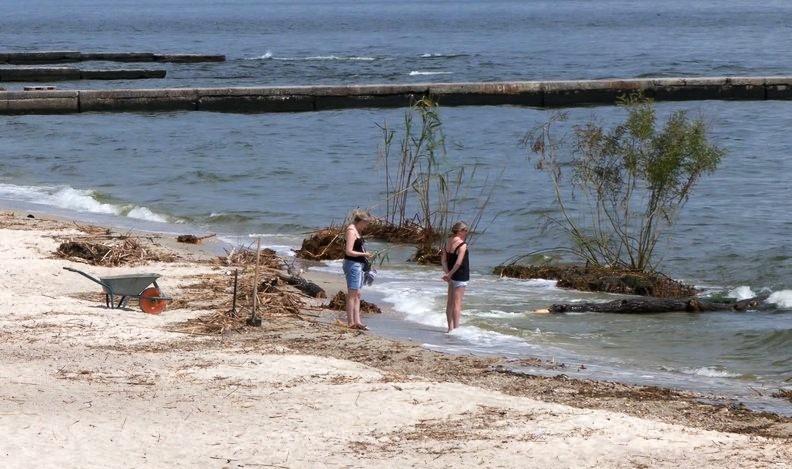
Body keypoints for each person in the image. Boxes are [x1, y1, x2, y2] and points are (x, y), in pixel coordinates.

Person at [343, 210, 373, 330]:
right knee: (352, 294)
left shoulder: (357, 230)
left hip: (358, 265)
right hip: (352, 264)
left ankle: (358, 321)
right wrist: (364, 254)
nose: (366, 226)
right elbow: (348, 251)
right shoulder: (351, 230)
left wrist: (365, 255)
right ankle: (351, 322)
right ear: (360, 221)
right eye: (366, 223)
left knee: (358, 294)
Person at [441, 221, 470, 333]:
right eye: (465, 230)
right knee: (457, 303)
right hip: (460, 275)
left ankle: (450, 328)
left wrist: (447, 273)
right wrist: (450, 274)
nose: (466, 233)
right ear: (459, 231)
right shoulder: (462, 245)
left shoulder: (447, 242)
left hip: (450, 275)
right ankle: (456, 330)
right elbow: (458, 263)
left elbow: (443, 261)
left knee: (450, 303)